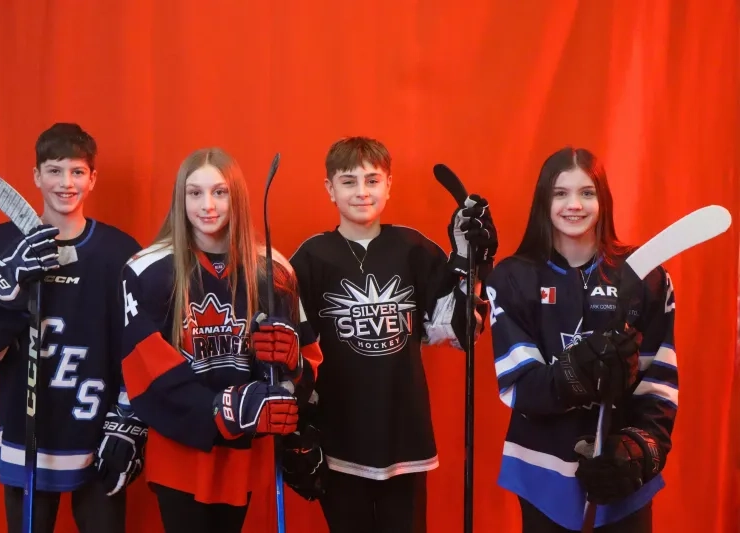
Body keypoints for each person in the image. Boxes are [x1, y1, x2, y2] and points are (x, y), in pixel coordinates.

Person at [287, 136, 498, 532]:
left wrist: (470, 264)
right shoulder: (311, 258)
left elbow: (457, 331)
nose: (361, 191)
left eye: (372, 180)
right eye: (348, 181)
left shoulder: (413, 248)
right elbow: (299, 354)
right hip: (340, 440)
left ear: (389, 186)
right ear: (330, 189)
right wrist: (299, 426)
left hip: (405, 437)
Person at [0, 123, 143, 532]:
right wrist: (8, 292)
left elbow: (140, 350)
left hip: (99, 438)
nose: (65, 182)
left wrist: (128, 422)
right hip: (27, 441)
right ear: (36, 176)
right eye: (54, 170)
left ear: (93, 179)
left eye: (76, 171)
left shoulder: (121, 253)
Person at [118, 147, 323, 533]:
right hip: (180, 450)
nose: (207, 205)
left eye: (220, 192)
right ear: (181, 198)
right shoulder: (146, 270)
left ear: (238, 197)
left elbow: (308, 363)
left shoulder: (274, 270)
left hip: (245, 452)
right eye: (195, 193)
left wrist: (292, 366)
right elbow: (143, 367)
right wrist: (222, 407)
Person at [486, 146, 677, 532]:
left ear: (602, 200)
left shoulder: (647, 278)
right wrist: (578, 371)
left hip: (621, 475)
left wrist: (638, 451)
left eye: (586, 192)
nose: (574, 204)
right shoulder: (512, 278)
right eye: (561, 193)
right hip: (543, 473)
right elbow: (520, 387)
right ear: (544, 201)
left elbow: (659, 383)